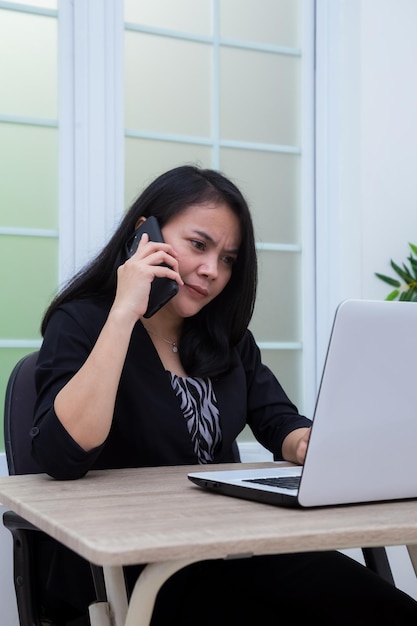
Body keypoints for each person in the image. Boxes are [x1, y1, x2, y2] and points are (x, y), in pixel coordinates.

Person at [31, 165, 417, 625]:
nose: (212, 270)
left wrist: (308, 444)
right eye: (198, 245)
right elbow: (63, 453)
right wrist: (124, 311)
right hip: (130, 567)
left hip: (230, 550)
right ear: (144, 236)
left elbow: (279, 421)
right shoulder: (81, 323)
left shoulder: (226, 339)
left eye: (229, 258)